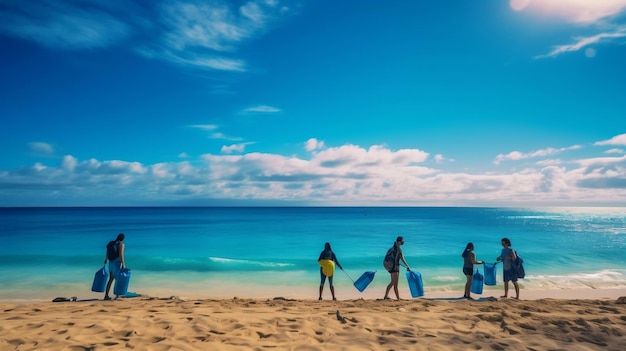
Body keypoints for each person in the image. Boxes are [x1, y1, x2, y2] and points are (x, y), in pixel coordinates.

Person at [383, 236, 411, 300]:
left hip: (390, 267)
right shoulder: (398, 250)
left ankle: (386, 296)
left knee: (392, 282)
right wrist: (407, 266)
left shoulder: (391, 248)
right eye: (402, 241)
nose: (403, 242)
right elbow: (402, 259)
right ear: (399, 242)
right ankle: (398, 298)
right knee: (395, 285)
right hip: (395, 268)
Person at [104, 233, 126, 300]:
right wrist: (123, 264)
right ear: (122, 239)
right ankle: (117, 295)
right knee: (118, 279)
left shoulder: (111, 243)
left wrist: (106, 259)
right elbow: (121, 254)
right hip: (117, 263)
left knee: (110, 279)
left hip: (111, 263)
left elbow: (107, 252)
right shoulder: (121, 244)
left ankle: (106, 295)